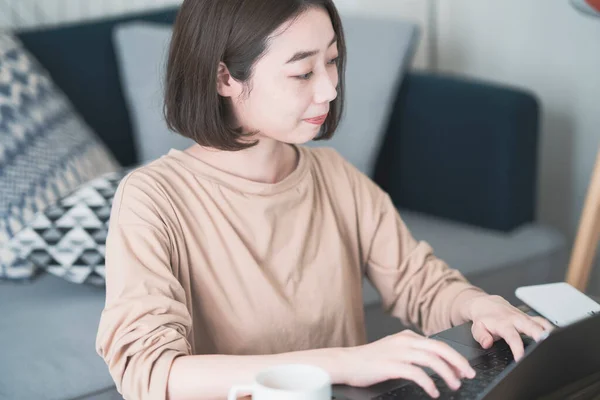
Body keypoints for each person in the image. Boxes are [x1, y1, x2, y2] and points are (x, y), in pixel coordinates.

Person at [95, 1, 554, 399]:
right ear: (224, 78)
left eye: (332, 60)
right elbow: (150, 372)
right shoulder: (152, 200)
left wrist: (479, 305)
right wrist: (344, 363)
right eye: (302, 71)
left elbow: (422, 284)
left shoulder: (336, 178)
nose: (329, 89)